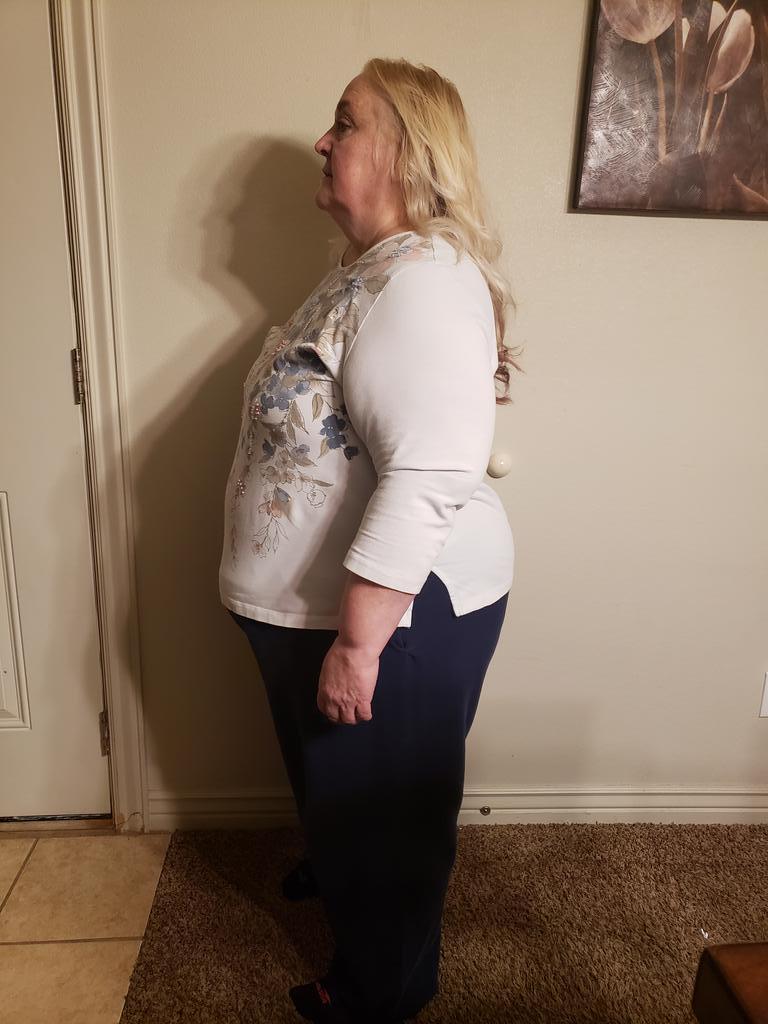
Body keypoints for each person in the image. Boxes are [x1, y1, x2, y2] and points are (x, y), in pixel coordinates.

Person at [219, 57, 522, 1024]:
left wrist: (358, 644)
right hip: (333, 611)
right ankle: (343, 856)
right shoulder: (369, 268)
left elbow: (430, 471)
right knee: (347, 791)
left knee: (389, 823)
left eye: (344, 122)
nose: (323, 138)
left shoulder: (422, 280)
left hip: (395, 617)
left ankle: (382, 987)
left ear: (408, 151)